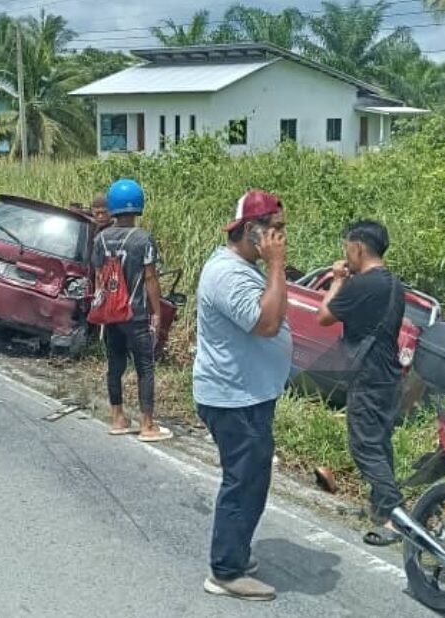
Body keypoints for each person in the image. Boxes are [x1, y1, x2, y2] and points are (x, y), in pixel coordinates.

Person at [194, 190, 290, 602]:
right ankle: (226, 571)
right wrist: (276, 264)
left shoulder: (243, 267)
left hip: (248, 395)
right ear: (252, 231)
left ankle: (235, 551)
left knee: (252, 478)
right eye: (276, 230)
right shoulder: (226, 274)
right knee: (244, 482)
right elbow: (266, 324)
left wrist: (273, 268)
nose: (282, 238)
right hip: (234, 399)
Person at [317, 220, 406, 547]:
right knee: (379, 442)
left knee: (364, 446)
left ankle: (396, 518)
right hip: (389, 374)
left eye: (346, 249)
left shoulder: (362, 284)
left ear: (357, 248)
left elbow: (323, 315)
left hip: (368, 375)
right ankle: (380, 506)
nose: (345, 255)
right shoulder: (395, 285)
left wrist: (337, 280)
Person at [92, 179, 172, 443]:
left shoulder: (100, 239)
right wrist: (157, 312)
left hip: (111, 314)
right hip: (136, 315)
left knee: (114, 366)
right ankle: (147, 424)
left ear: (112, 207)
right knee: (145, 368)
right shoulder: (143, 239)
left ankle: (117, 418)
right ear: (138, 205)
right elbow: (150, 278)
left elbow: (98, 278)